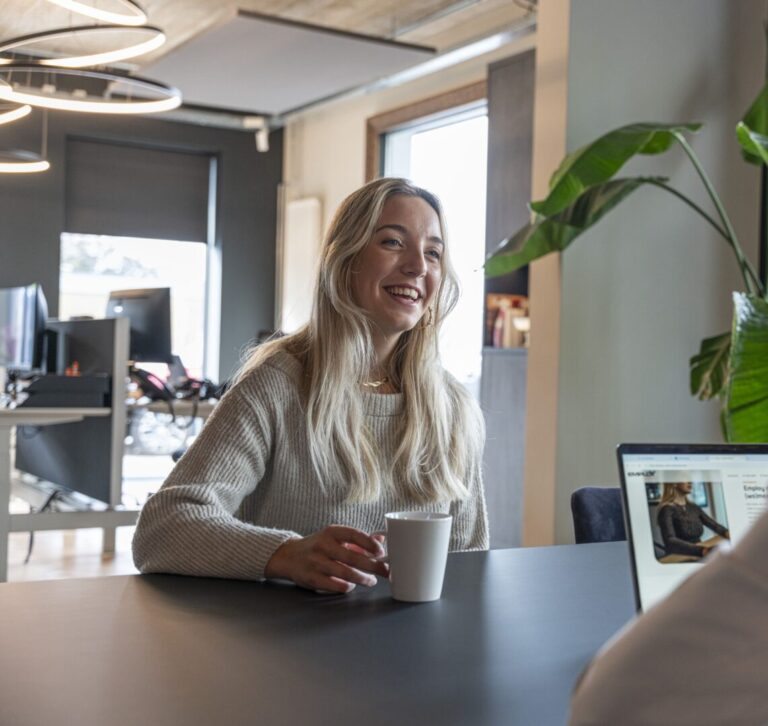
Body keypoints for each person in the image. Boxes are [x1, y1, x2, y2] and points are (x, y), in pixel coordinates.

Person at [132, 177, 489, 593]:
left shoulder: (454, 407)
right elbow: (161, 528)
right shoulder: (277, 384)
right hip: (289, 648)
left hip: (417, 650)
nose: (418, 266)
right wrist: (285, 554)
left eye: (433, 253)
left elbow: (470, 561)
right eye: (392, 242)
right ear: (346, 259)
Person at [569, 507, 768, 725]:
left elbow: (718, 527)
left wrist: (728, 538)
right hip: (686, 558)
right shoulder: (668, 511)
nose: (689, 486)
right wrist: (703, 551)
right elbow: (671, 542)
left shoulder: (694, 509)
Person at [656, 482, 730, 558]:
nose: (690, 482)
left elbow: (713, 525)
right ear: (674, 483)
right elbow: (670, 541)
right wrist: (702, 550)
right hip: (678, 557)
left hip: (699, 552)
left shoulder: (694, 507)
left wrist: (727, 533)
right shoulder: (666, 510)